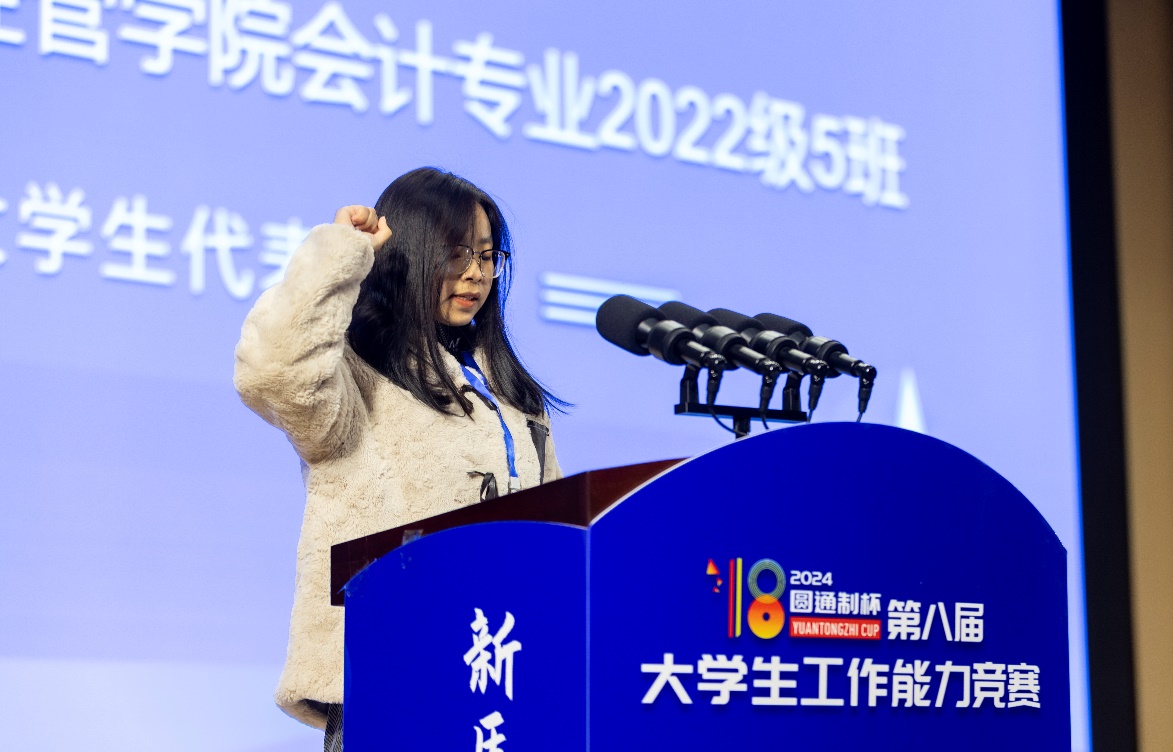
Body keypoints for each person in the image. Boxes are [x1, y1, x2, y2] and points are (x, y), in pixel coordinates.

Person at [233, 167, 562, 748]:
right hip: (391, 680)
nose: (475, 273)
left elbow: (555, 537)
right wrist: (342, 255)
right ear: (409, 253)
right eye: (456, 253)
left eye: (487, 255)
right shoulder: (358, 376)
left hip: (503, 685)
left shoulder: (514, 397)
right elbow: (274, 371)